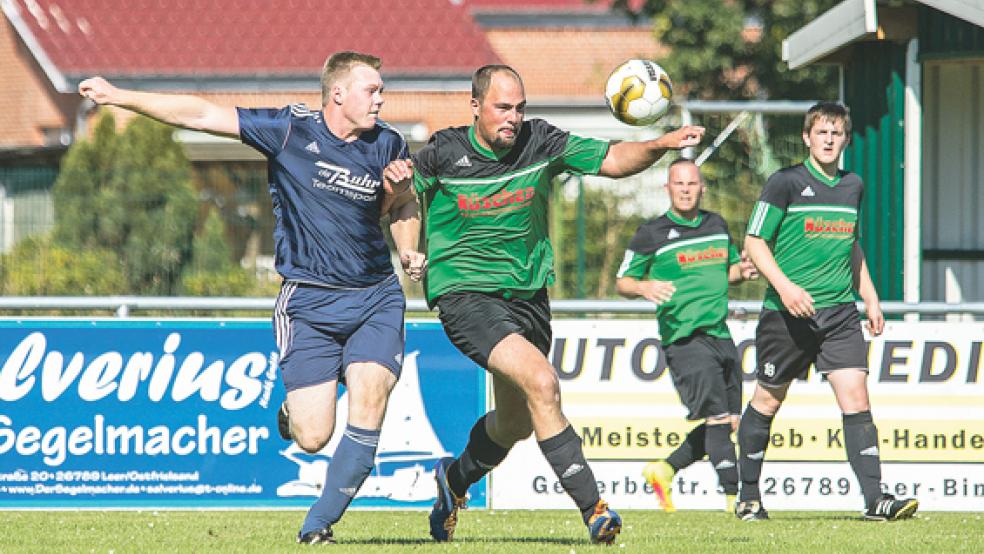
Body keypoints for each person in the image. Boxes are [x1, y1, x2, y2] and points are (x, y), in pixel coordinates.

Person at [79, 51, 426, 544]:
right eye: (372, 89)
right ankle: (297, 409)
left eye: (381, 89)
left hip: (375, 296)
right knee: (313, 436)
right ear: (338, 94)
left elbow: (404, 203)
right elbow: (200, 113)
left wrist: (409, 248)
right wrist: (119, 97)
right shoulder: (288, 131)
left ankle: (317, 526)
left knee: (370, 400)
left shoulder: (387, 142)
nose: (382, 98)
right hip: (309, 303)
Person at [410, 64, 704, 544]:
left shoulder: (539, 141)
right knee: (543, 382)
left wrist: (658, 145)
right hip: (465, 294)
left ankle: (452, 481)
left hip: (527, 297)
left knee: (515, 424)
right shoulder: (443, 152)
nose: (513, 117)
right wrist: (399, 223)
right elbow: (399, 198)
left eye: (520, 107)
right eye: (503, 107)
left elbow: (612, 159)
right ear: (476, 106)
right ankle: (595, 509)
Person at [736, 102, 918, 521]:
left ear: (846, 139)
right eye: (822, 132)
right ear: (807, 137)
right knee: (767, 400)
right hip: (786, 316)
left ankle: (876, 500)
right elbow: (754, 243)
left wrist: (869, 296)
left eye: (836, 133)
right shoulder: (785, 183)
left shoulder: (852, 185)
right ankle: (748, 496)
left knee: (856, 397)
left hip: (838, 314)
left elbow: (850, 245)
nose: (829, 140)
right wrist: (786, 288)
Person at [615, 158, 757, 513]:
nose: (685, 189)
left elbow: (726, 274)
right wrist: (644, 286)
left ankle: (664, 469)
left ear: (702, 187)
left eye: (691, 183)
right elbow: (623, 282)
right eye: (678, 183)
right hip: (685, 339)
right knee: (718, 421)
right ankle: (735, 500)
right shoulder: (652, 232)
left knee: (731, 421)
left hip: (720, 334)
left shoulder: (716, 224)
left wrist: (744, 270)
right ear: (667, 188)